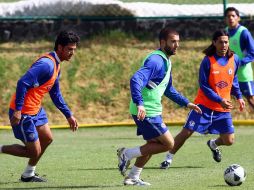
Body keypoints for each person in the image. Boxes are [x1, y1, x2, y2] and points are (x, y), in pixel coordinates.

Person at [117, 27, 202, 186]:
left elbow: (168, 89)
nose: (177, 45)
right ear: (163, 42)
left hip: (152, 110)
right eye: (173, 41)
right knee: (168, 144)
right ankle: (126, 154)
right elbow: (136, 80)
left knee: (152, 145)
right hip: (146, 111)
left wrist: (187, 103)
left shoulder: (166, 61)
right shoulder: (156, 61)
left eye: (178, 41)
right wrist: (140, 104)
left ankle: (133, 177)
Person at [0, 30, 80, 182]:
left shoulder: (56, 65)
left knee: (47, 139)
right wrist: (17, 110)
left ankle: (28, 174)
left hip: (36, 110)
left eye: (74, 50)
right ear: (60, 48)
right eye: (69, 49)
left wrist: (68, 114)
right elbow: (22, 83)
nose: (72, 53)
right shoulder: (46, 64)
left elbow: (55, 94)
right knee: (33, 152)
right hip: (23, 112)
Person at [160, 29, 245, 170]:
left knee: (229, 141)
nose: (224, 45)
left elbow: (234, 79)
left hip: (222, 108)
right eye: (221, 42)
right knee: (186, 132)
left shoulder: (234, 59)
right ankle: (168, 158)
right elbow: (204, 85)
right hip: (203, 106)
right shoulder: (207, 61)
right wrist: (219, 99)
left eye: (226, 42)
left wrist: (239, 97)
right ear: (214, 43)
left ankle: (213, 144)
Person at [225, 7, 254, 109]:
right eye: (228, 16)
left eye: (233, 16)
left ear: (238, 18)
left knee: (250, 99)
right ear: (225, 19)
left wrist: (240, 63)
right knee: (223, 99)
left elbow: (252, 53)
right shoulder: (224, 33)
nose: (231, 18)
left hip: (243, 74)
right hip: (228, 73)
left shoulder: (243, 32)